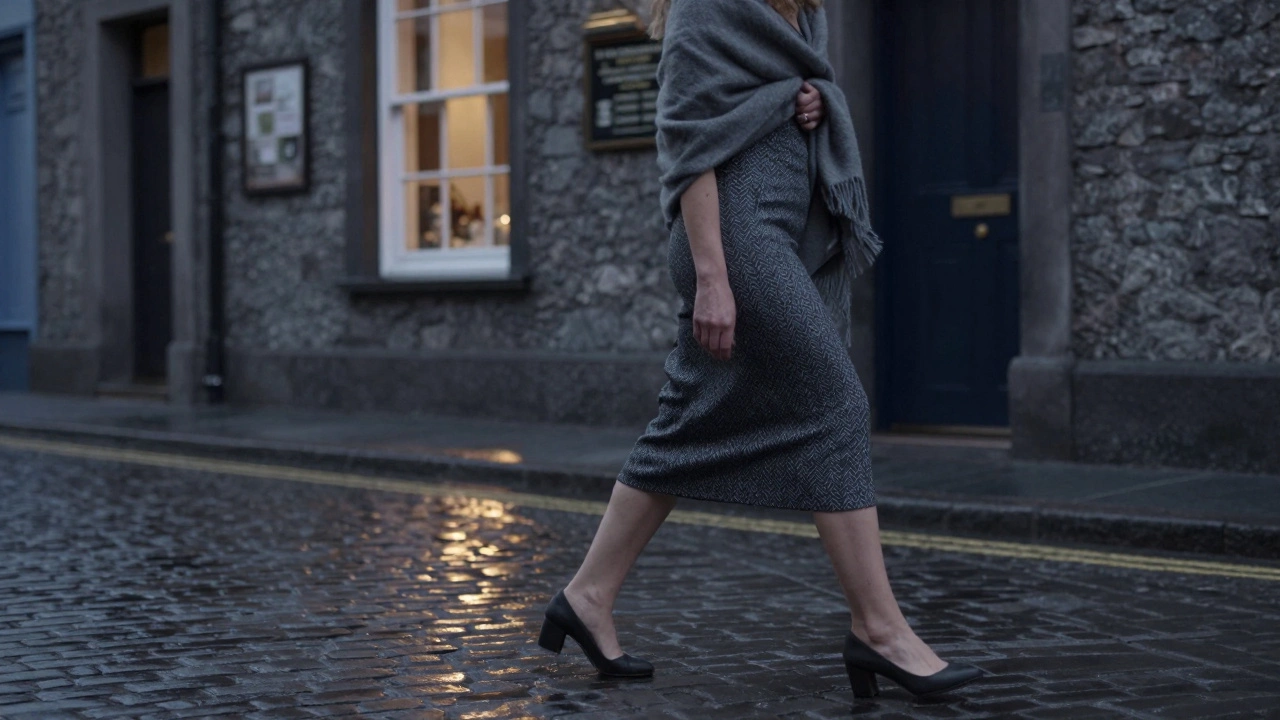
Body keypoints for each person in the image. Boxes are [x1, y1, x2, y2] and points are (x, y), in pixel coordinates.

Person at [537, 0, 984, 700]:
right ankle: (879, 630)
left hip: (775, 230)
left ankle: (587, 597)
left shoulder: (805, 11)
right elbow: (686, 141)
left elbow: (770, 96)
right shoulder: (705, 8)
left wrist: (807, 100)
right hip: (735, 236)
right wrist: (713, 276)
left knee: (692, 417)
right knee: (836, 404)